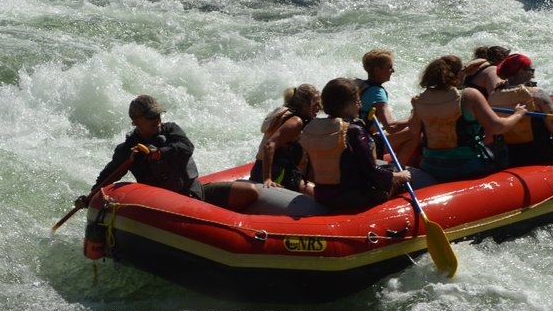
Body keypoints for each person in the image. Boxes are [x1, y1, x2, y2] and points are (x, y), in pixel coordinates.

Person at [76, 95, 259, 211]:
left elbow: (186, 147)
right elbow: (110, 175)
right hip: (164, 206)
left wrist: (159, 153)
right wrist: (90, 197)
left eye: (157, 114)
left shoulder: (171, 130)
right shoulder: (129, 150)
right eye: (151, 117)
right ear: (136, 122)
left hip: (192, 193)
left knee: (250, 192)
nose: (157, 119)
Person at [402, 55, 527, 183]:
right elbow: (497, 127)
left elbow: (413, 130)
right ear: (457, 74)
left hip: (431, 165)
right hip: (467, 165)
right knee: (501, 148)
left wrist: (414, 108)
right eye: (463, 70)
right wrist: (518, 114)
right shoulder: (468, 96)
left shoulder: (418, 99)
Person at [300, 77, 411, 212]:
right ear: (347, 104)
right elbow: (372, 172)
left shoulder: (313, 127)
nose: (360, 106)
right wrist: (399, 176)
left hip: (321, 194)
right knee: (402, 178)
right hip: (353, 198)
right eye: (358, 101)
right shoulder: (353, 131)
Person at [250, 84, 319, 194]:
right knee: (318, 195)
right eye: (315, 104)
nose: (318, 108)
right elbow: (269, 145)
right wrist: (267, 179)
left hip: (264, 170)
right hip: (276, 173)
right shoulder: (296, 121)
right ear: (305, 105)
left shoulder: (289, 115)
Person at [356, 48, 411, 149]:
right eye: (390, 67)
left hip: (354, 139)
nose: (393, 71)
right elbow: (391, 127)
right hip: (366, 144)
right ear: (377, 70)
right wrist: (415, 117)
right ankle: (402, 164)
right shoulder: (377, 93)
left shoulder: (358, 84)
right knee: (414, 131)